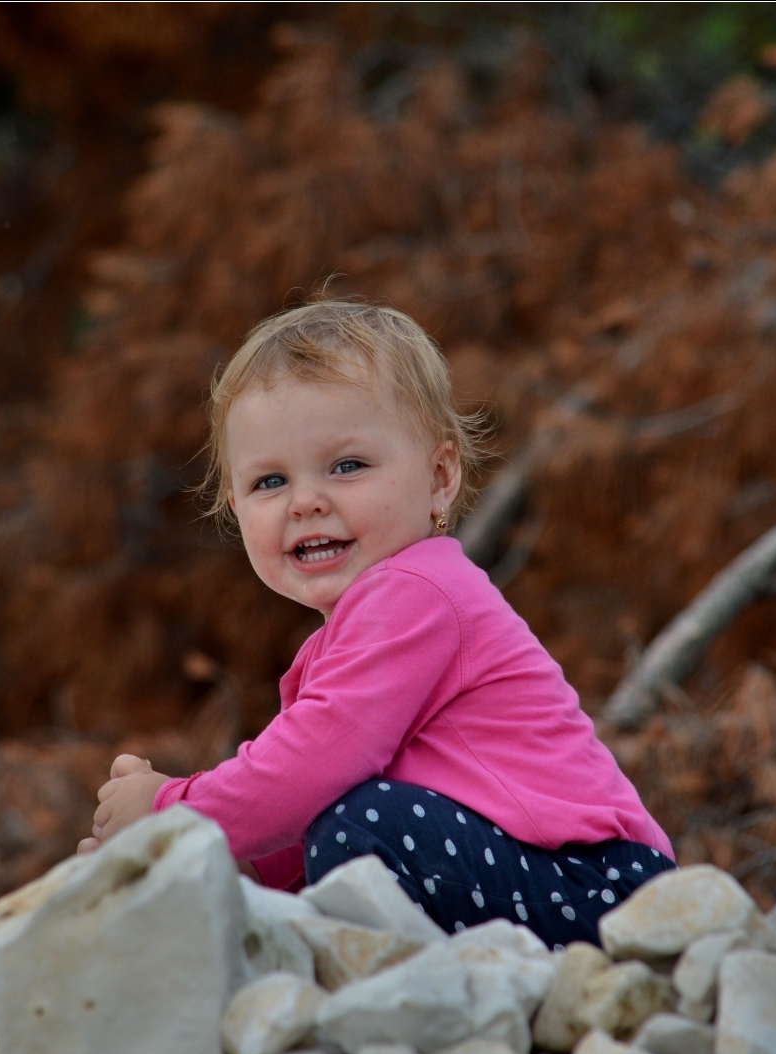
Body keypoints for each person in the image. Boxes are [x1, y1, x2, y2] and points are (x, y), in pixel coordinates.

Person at [76, 300, 674, 948]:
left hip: (597, 885)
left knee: (360, 824)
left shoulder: (419, 593)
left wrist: (171, 814)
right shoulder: (350, 635)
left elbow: (308, 773)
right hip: (535, 879)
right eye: (270, 481)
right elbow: (309, 809)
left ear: (440, 478)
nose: (306, 501)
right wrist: (198, 859)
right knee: (342, 830)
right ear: (235, 507)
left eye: (347, 466)